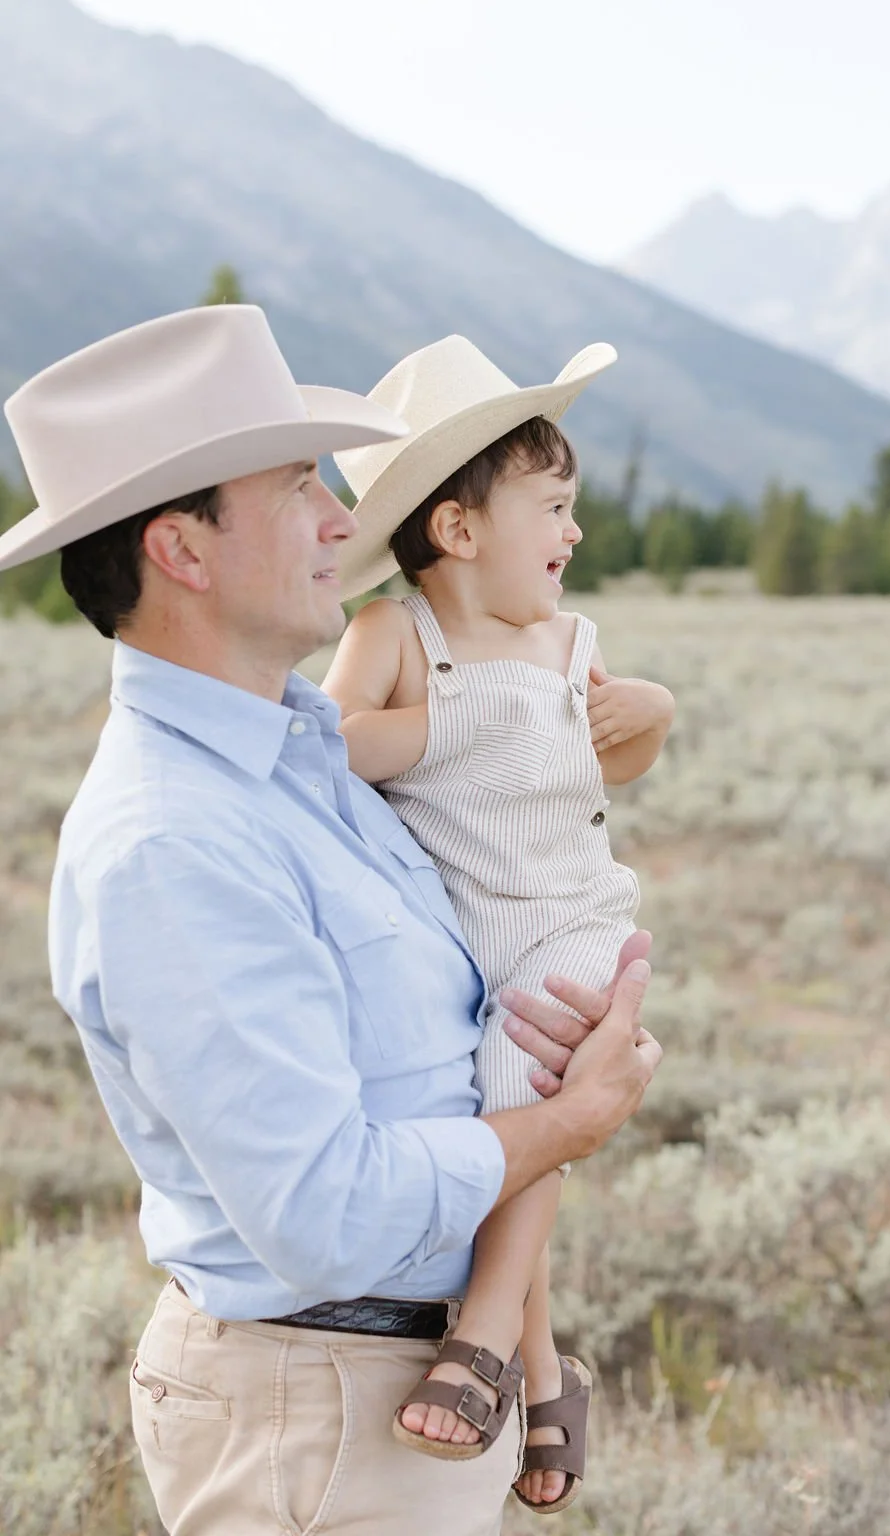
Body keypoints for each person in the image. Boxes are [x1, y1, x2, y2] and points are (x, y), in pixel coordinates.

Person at [0, 304, 662, 1536]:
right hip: (318, 1420)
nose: (345, 520)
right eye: (300, 485)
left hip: (374, 1403)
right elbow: (326, 1212)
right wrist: (568, 1121)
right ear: (183, 552)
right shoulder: (173, 839)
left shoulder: (304, 760)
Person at [321, 334, 674, 1513]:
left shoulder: (571, 648)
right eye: (554, 507)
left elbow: (606, 768)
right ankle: (542, 1367)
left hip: (570, 924)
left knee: (519, 1079)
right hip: (463, 935)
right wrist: (437, 734)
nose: (574, 533)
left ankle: (483, 1339)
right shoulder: (390, 639)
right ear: (460, 533)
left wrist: (654, 708)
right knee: (490, 1099)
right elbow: (317, 753)